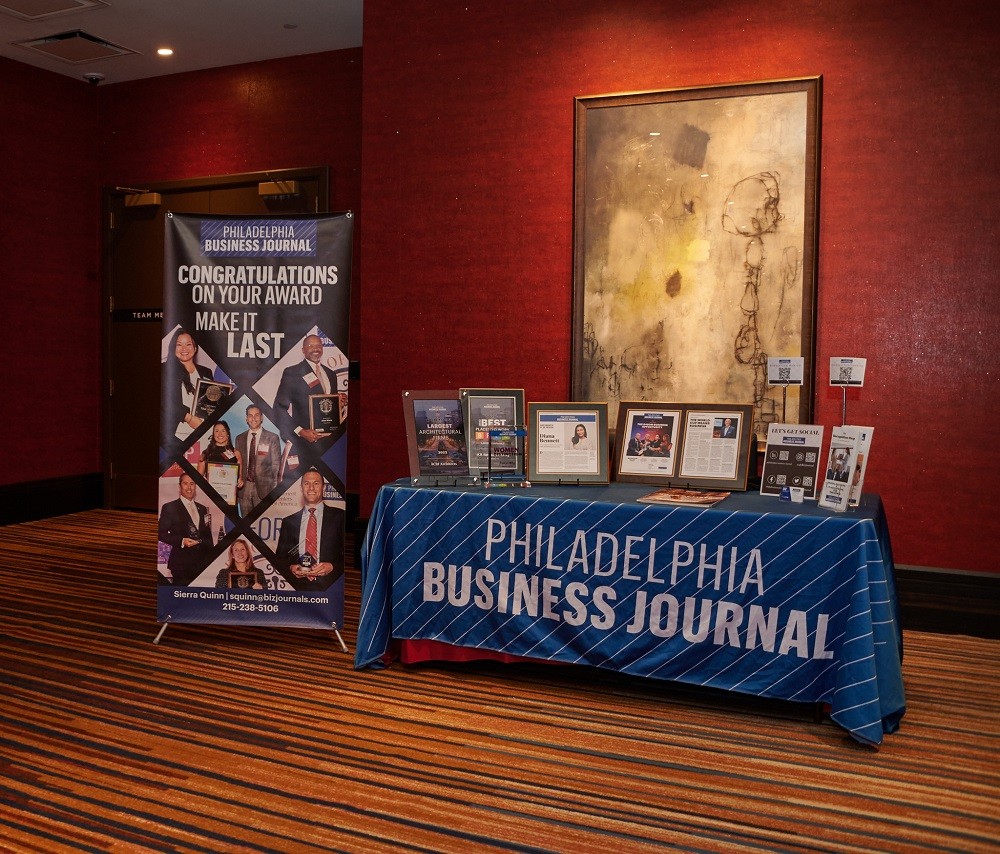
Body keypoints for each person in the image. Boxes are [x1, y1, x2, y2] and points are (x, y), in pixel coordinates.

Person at [275, 469, 345, 591]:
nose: (311, 488)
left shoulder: (340, 517)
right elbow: (280, 558)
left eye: (316, 483)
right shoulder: (288, 521)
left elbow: (348, 557)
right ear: (301, 488)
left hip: (330, 586)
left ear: (323, 488)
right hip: (297, 587)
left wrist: (332, 567)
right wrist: (291, 567)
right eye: (307, 483)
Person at [273, 334, 341, 449]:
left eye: (319, 345)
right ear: (303, 350)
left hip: (329, 442)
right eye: (310, 345)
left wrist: (339, 403)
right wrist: (301, 431)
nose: (315, 349)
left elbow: (329, 406)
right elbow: (279, 408)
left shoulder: (331, 374)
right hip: (304, 443)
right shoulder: (292, 372)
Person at [157, 472, 213, 585]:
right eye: (185, 483)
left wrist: (211, 559)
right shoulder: (170, 507)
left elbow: (208, 536)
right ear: (179, 486)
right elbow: (160, 533)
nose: (189, 487)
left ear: (195, 487)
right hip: (181, 565)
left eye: (192, 484)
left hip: (202, 565)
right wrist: (182, 541)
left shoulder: (202, 509)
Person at [163, 328, 214, 444]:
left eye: (189, 344)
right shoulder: (165, 370)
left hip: (203, 433)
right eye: (179, 345)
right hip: (176, 436)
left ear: (195, 348)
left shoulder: (206, 372)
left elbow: (210, 402)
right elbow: (164, 401)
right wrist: (189, 418)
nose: (184, 349)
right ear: (173, 348)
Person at [235, 405, 282, 516]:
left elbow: (276, 466)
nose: (253, 418)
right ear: (246, 419)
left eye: (257, 415)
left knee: (261, 524)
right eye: (250, 415)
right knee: (246, 524)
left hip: (264, 490)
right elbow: (237, 464)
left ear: (262, 417)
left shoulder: (272, 438)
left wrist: (274, 492)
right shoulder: (239, 438)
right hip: (244, 489)